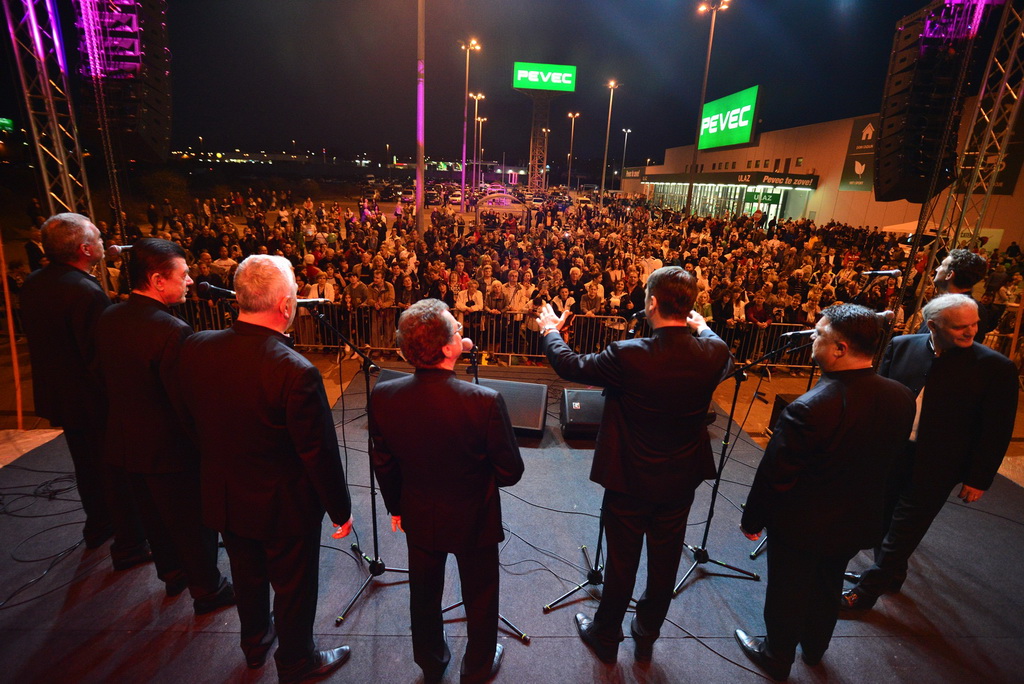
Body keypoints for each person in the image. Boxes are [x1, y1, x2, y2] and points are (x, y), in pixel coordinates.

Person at [534, 266, 733, 664]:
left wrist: (550, 331)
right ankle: (646, 633)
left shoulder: (629, 355)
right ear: (690, 306)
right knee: (665, 561)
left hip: (629, 478)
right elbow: (714, 341)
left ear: (652, 302)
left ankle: (607, 635)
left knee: (623, 562)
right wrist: (704, 327)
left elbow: (571, 365)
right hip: (680, 479)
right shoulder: (714, 351)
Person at [176, 255, 353, 681]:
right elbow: (318, 453)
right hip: (283, 505)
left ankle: (254, 643)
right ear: (286, 305)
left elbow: (186, 417)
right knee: (293, 587)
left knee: (247, 574)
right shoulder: (294, 371)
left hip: (225, 493)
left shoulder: (197, 346)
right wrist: (340, 510)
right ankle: (295, 661)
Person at [734, 304, 915, 680]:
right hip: (857, 518)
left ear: (840, 348)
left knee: (788, 591)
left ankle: (777, 655)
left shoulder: (810, 407)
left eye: (819, 334)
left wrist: (753, 519)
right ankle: (815, 650)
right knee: (828, 584)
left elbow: (776, 475)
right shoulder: (901, 396)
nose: (813, 340)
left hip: (802, 523)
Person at [369, 299, 524, 684]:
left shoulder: (384, 395)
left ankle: (432, 662)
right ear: (447, 347)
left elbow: (384, 463)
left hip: (419, 511)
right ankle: (476, 668)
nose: (461, 333)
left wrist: (397, 507)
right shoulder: (483, 401)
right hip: (475, 517)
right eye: (457, 329)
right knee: (481, 595)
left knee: (422, 594)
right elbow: (510, 472)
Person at [841, 294, 1018, 611]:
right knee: (882, 518)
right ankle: (890, 576)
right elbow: (879, 400)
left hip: (939, 466)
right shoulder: (903, 346)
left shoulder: (996, 368)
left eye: (974, 324)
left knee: (904, 529)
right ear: (933, 325)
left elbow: (997, 429)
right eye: (961, 327)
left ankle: (867, 592)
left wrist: (979, 478)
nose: (971, 332)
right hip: (893, 454)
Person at [94, 238, 234, 611]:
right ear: (158, 280)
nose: (190, 281)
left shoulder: (109, 317)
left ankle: (173, 576)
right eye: (183, 275)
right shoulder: (171, 331)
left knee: (155, 521)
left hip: (125, 444)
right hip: (171, 450)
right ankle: (208, 589)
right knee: (191, 524)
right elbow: (183, 402)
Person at [19, 213, 149, 568]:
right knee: (114, 471)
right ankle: (130, 543)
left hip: (59, 395)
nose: (105, 242)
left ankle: (98, 526)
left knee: (86, 466)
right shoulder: (84, 290)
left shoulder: (34, 283)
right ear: (85, 249)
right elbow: (97, 355)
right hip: (92, 399)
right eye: (99, 236)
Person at [918, 249, 993, 340]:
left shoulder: (959, 309)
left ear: (950, 274)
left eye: (942, 265)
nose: (937, 269)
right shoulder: (974, 308)